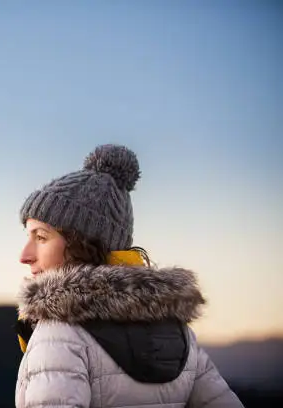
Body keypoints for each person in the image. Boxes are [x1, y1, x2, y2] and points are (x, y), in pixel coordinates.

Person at [14, 144, 244, 408]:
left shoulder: (60, 334)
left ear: (84, 244)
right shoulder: (178, 334)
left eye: (41, 237)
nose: (25, 255)